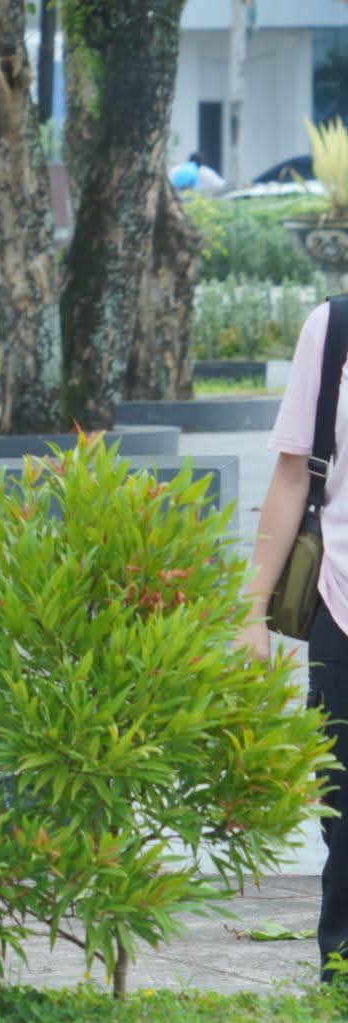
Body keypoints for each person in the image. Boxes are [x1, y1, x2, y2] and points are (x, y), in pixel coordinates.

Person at [238, 300, 348, 981]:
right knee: (343, 804)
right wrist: (251, 611)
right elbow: (291, 472)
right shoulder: (332, 330)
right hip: (340, 598)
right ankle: (342, 969)